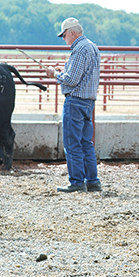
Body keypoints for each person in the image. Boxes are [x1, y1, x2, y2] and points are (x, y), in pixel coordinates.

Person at [46, 17, 102, 192]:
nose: (64, 39)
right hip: (88, 102)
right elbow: (81, 75)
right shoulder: (92, 47)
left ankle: (77, 182)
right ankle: (92, 181)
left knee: (72, 144)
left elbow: (71, 80)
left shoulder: (79, 49)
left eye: (64, 35)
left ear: (71, 32)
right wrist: (64, 71)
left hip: (75, 102)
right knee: (86, 143)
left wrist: (55, 73)